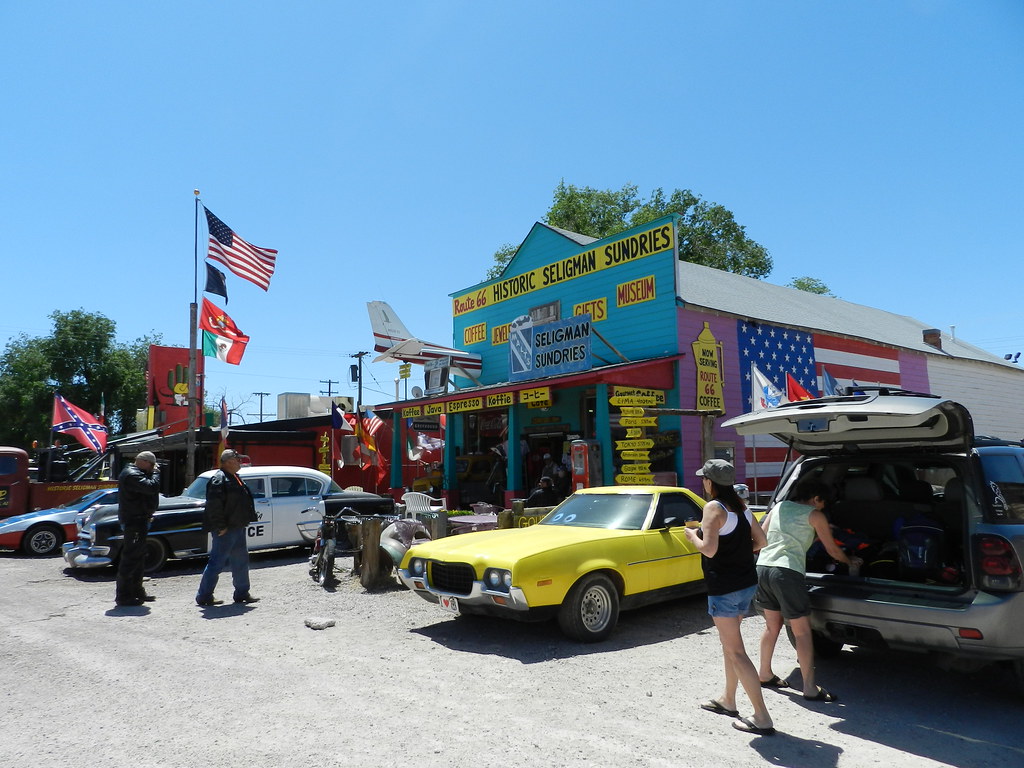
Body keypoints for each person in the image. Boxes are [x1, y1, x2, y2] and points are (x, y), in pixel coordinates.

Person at [683, 459, 774, 736]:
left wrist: (692, 536)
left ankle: (762, 717)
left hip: (724, 588)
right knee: (729, 645)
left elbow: (709, 549)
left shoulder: (713, 508)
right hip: (745, 583)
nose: (702, 482)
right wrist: (738, 551)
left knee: (735, 651)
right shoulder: (742, 507)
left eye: (704, 478)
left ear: (710, 482)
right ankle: (728, 699)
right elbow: (761, 542)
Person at [754, 479, 862, 702]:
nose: (823, 507)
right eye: (823, 503)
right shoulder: (815, 515)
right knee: (802, 632)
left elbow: (762, 539)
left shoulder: (779, 507)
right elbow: (832, 550)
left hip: (763, 568)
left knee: (772, 626)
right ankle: (810, 688)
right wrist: (849, 561)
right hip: (787, 573)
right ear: (816, 499)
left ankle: (764, 674)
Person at [196, 449, 260, 606]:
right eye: (238, 459)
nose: (240, 462)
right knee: (217, 562)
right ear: (229, 461)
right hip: (226, 529)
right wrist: (220, 526)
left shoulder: (234, 477)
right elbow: (214, 506)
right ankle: (204, 596)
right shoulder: (219, 479)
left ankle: (242, 593)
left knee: (241, 561)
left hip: (237, 527)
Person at [115, 451, 162, 607]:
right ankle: (123, 596)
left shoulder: (137, 473)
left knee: (139, 558)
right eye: (151, 465)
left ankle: (137, 591)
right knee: (130, 558)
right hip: (133, 521)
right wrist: (156, 473)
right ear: (144, 462)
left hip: (140, 519)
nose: (152, 468)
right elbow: (151, 487)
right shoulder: (131, 474)